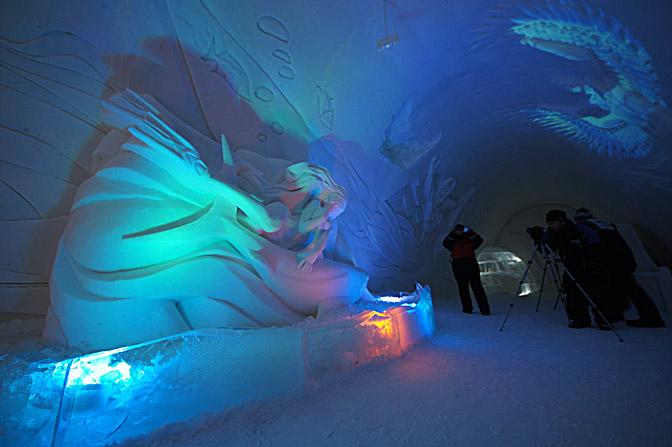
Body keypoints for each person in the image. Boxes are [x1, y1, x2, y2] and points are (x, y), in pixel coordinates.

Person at [573, 208, 665, 328]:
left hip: (607, 261)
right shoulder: (606, 224)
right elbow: (621, 243)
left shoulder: (584, 226)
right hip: (621, 259)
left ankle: (647, 317)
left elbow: (592, 245)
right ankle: (647, 315)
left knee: (611, 288)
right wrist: (630, 260)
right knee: (629, 288)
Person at [544, 209, 613, 329]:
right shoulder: (551, 234)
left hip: (589, 265)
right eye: (549, 224)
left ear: (562, 221)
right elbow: (545, 249)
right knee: (572, 293)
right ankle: (579, 319)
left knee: (597, 293)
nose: (551, 226)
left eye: (553, 223)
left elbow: (596, 247)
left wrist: (596, 264)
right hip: (570, 267)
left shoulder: (581, 230)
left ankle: (604, 319)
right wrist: (539, 240)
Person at [442, 224, 490, 315]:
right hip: (458, 263)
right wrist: (452, 234)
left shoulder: (469, 237)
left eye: (461, 230)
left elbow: (479, 241)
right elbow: (446, 243)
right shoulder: (453, 239)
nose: (459, 232)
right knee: (463, 286)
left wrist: (470, 232)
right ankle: (467, 308)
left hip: (470, 262)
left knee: (476, 286)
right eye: (458, 230)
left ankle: (484, 308)